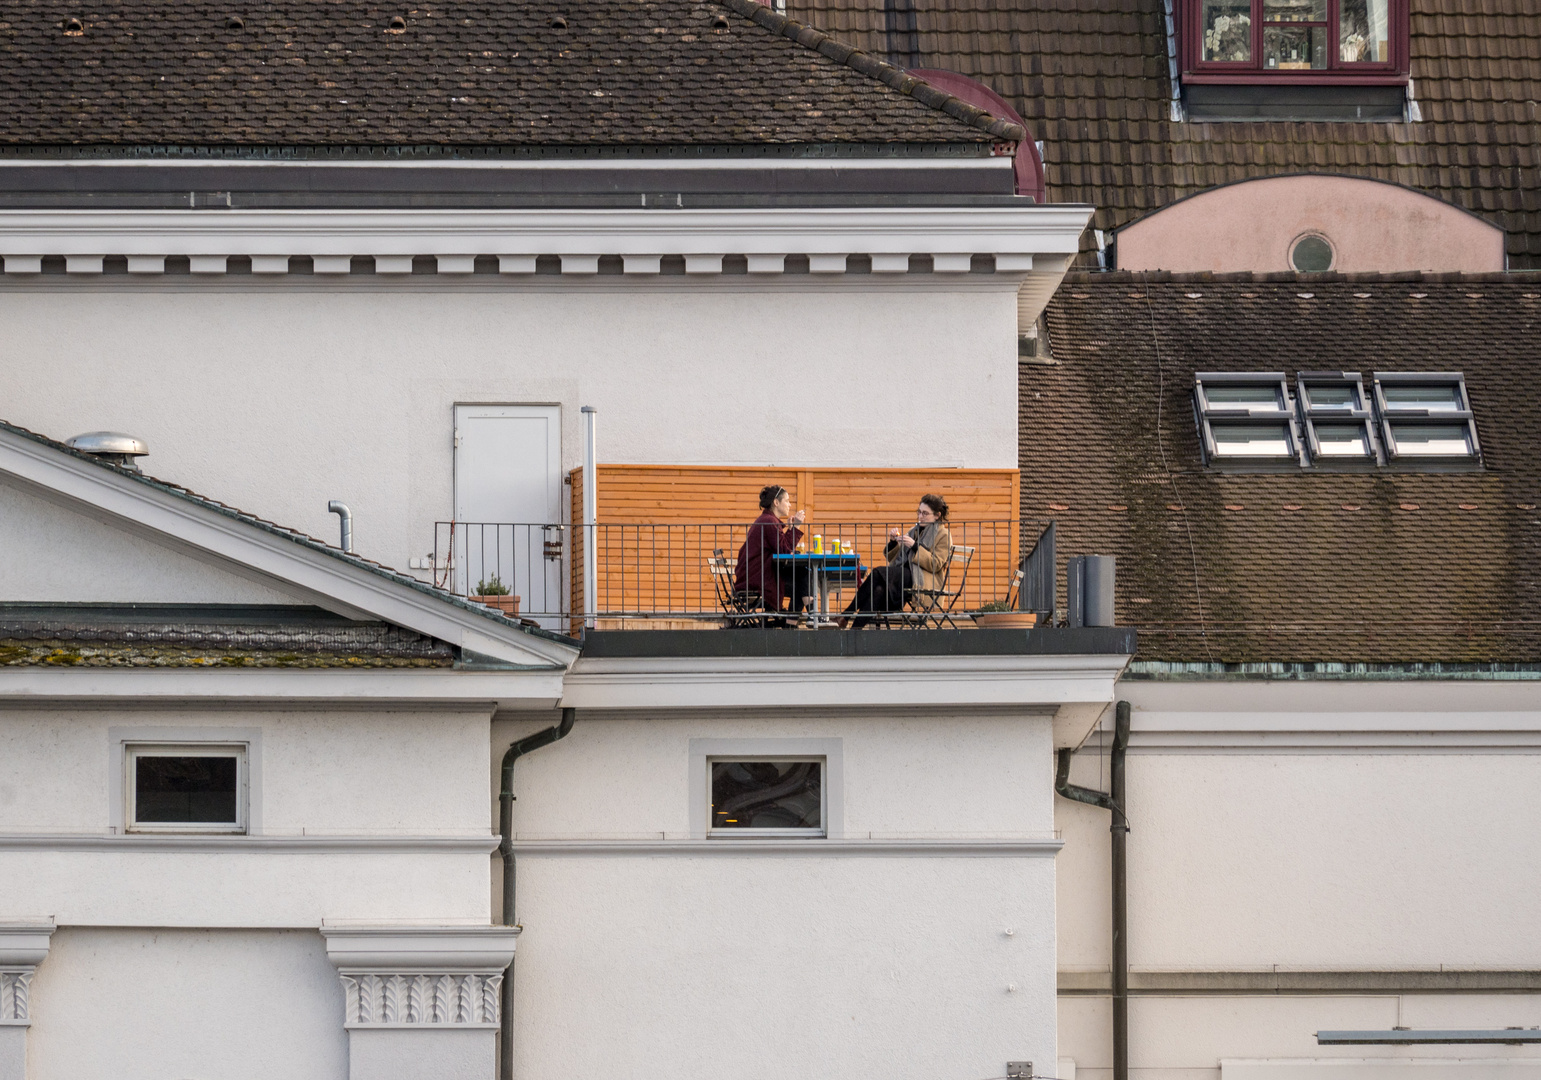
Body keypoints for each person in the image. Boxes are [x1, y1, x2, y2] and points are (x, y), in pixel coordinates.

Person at [843, 494, 952, 627]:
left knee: (877, 572)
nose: (920, 516)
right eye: (919, 512)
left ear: (937, 515)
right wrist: (893, 542)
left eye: (925, 513)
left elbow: (936, 564)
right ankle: (854, 632)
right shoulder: (914, 530)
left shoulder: (943, 535)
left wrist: (914, 546)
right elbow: (893, 557)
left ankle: (846, 615)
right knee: (878, 590)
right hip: (903, 576)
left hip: (921, 580)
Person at [733, 485, 811, 618]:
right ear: (776, 502)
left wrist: (791, 528)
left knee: (802, 575)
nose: (790, 505)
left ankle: (796, 621)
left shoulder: (768, 520)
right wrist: (796, 526)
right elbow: (785, 550)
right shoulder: (769, 522)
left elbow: (782, 546)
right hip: (758, 580)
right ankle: (810, 615)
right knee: (802, 578)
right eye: (786, 501)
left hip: (757, 576)